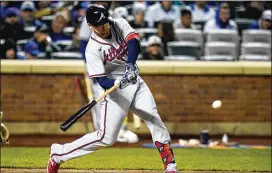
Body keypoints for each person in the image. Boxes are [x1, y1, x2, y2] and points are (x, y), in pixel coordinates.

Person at [47, 5, 178, 173]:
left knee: (154, 118)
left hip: (135, 82)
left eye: (105, 22)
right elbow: (101, 80)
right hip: (116, 91)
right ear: (90, 26)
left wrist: (130, 66)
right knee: (106, 137)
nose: (104, 27)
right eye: (99, 25)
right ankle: (59, 153)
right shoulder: (92, 49)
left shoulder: (119, 23)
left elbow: (134, 43)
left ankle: (170, 165)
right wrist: (118, 82)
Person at [79, 1, 139, 143]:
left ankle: (119, 130)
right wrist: (91, 66)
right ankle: (101, 131)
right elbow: (83, 42)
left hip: (115, 64)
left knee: (120, 97)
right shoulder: (90, 17)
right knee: (101, 98)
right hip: (99, 64)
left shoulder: (114, 15)